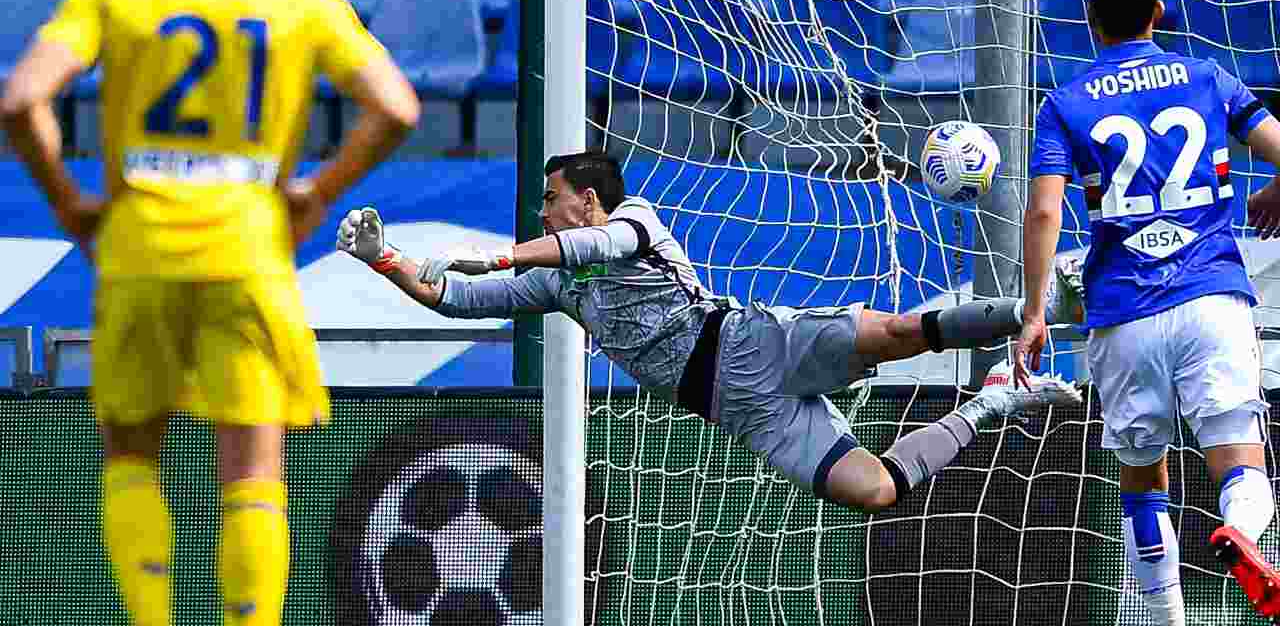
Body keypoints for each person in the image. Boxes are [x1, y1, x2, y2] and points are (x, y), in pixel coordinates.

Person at [0, 0, 420, 624]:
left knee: (132, 454)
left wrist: (69, 202)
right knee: (253, 469)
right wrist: (318, 193)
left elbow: (22, 99)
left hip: (139, 247)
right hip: (248, 248)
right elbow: (397, 107)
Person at [337, 151, 1081, 512]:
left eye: (550, 198)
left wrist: (492, 251)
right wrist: (385, 258)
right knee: (876, 490)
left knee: (896, 333)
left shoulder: (635, 222)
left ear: (587, 199)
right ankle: (992, 400)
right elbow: (451, 299)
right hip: (739, 411)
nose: (541, 210)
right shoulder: (555, 283)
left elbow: (592, 248)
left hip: (750, 342)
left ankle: (1038, 307)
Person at [1015, 0, 1280, 624]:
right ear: (1158, 10)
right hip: (1211, 300)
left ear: (1091, 16)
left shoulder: (1065, 104)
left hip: (1123, 312)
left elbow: (1044, 208)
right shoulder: (1208, 76)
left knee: (1141, 481)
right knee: (1240, 462)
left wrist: (1036, 312)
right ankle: (1243, 534)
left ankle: (1165, 618)